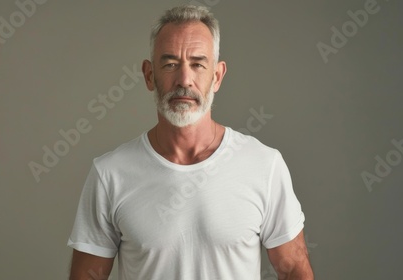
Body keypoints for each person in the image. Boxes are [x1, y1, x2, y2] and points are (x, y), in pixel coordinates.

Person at [68, 5, 314, 280]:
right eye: (170, 64)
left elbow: (293, 270)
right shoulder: (110, 174)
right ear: (149, 75)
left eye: (197, 64)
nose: (184, 79)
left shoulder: (264, 166)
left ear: (217, 76)